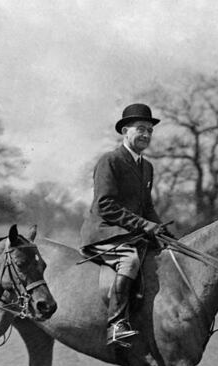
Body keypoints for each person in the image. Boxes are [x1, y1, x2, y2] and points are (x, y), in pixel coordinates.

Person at [80, 103, 173, 348]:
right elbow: (105, 205)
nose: (146, 135)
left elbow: (147, 207)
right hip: (104, 231)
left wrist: (162, 230)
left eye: (150, 131)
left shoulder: (147, 167)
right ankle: (116, 325)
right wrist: (143, 225)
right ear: (125, 132)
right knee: (130, 261)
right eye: (140, 129)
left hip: (131, 233)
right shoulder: (110, 160)